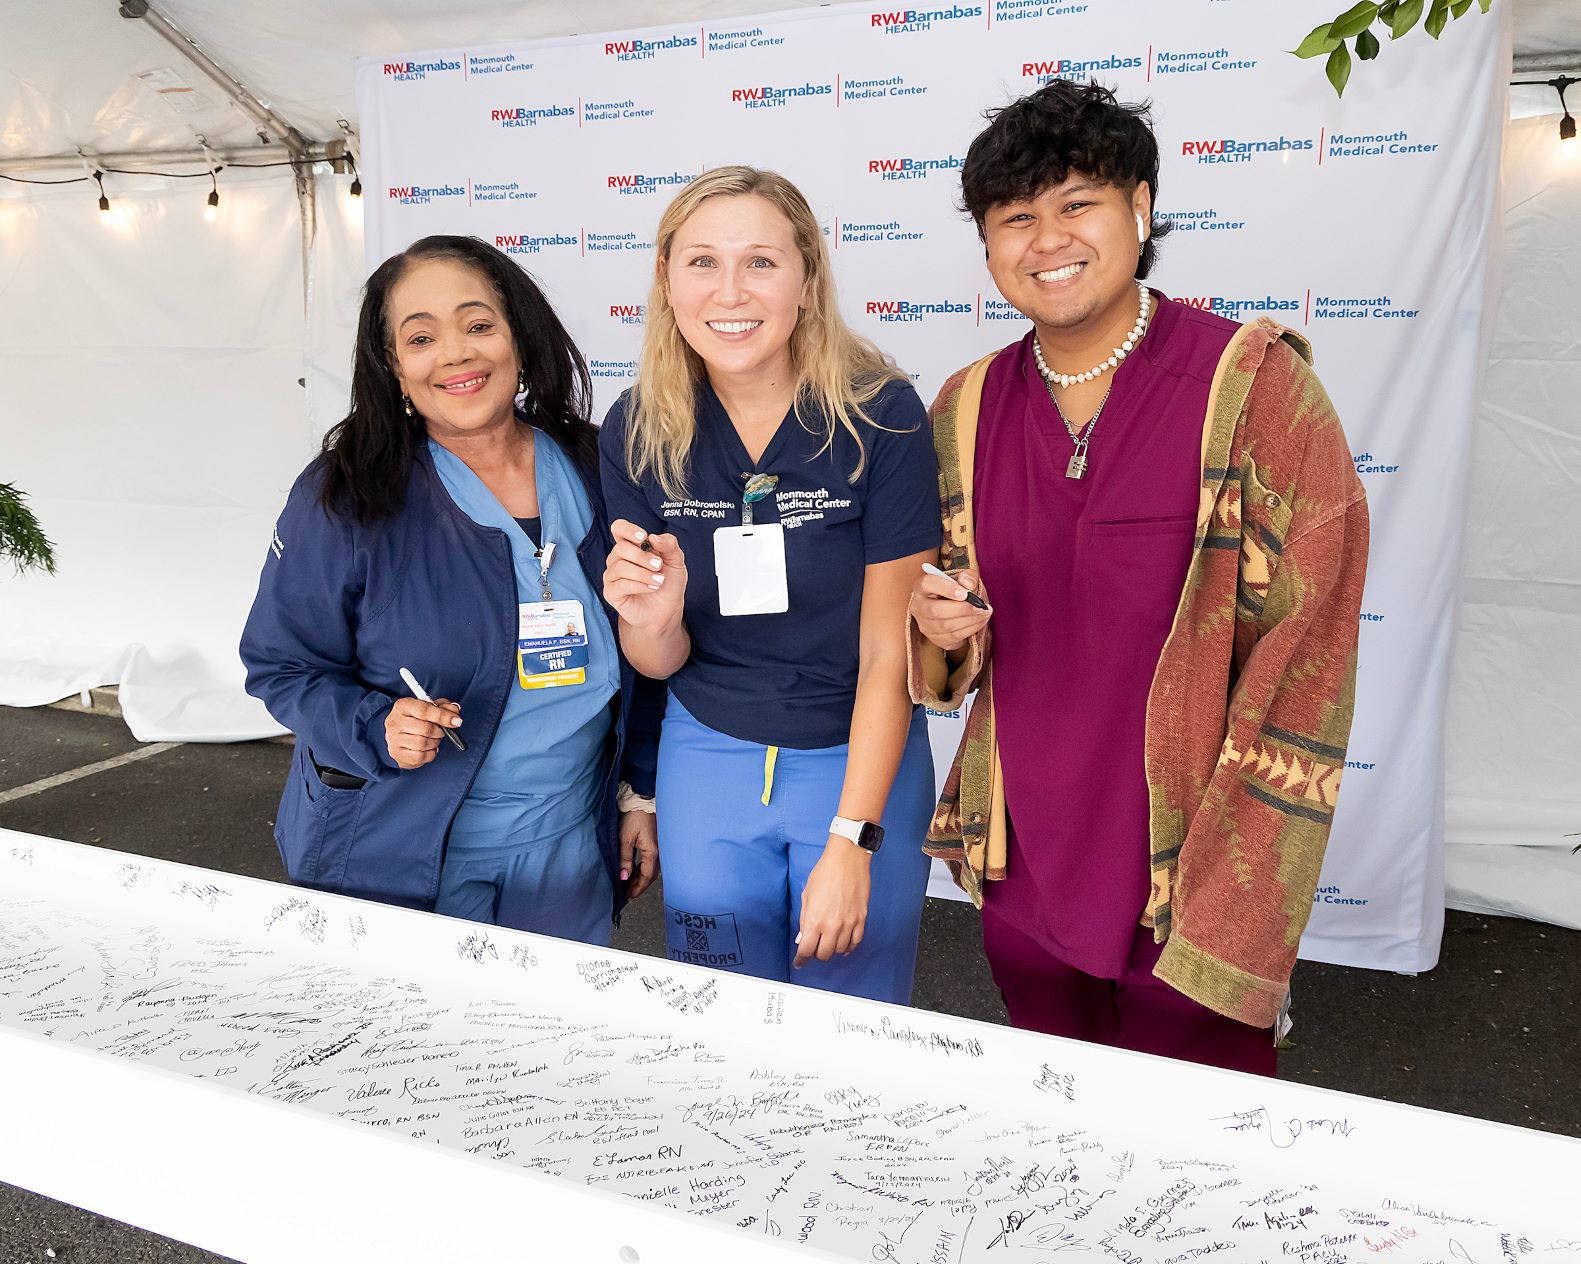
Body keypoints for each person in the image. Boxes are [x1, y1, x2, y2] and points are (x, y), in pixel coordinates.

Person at [908, 81, 1369, 1074]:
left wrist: (1240, 905)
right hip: (1025, 865)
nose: (1047, 239)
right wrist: (938, 633)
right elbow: (953, 653)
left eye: (1077, 203)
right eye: (1014, 217)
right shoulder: (963, 408)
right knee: (1063, 1120)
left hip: (1194, 881)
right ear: (987, 246)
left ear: (1142, 208)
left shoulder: (1255, 389)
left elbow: (1310, 662)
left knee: (1203, 1144)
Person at [240, 235, 661, 944]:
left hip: (565, 849)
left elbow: (651, 647)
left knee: (550, 1016)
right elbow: (280, 665)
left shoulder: (599, 465)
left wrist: (637, 793)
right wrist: (376, 726)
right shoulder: (345, 494)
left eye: (478, 325)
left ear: (518, 338)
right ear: (393, 365)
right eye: (421, 338)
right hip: (398, 852)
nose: (456, 354)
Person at [599, 166, 940, 1004]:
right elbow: (655, 661)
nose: (730, 291)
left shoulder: (880, 415)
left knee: (853, 1017)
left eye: (760, 261)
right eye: (702, 262)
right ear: (666, 281)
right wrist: (652, 619)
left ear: (806, 280)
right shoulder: (638, 426)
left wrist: (852, 840)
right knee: (720, 1017)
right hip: (707, 757)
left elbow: (888, 652)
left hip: (856, 758)